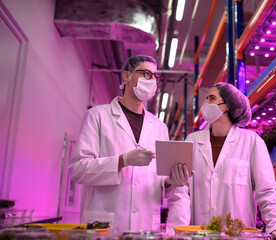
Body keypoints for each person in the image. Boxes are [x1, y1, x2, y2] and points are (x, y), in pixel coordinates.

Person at [69, 55, 191, 236]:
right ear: (126, 76)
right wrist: (122, 160)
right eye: (146, 74)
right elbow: (79, 170)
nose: (152, 81)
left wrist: (170, 182)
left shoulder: (159, 127)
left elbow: (157, 183)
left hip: (145, 227)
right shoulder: (98, 116)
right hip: (105, 225)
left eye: (155, 77)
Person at [186, 82, 276, 239]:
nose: (206, 103)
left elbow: (267, 191)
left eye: (212, 98)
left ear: (228, 105)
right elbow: (183, 192)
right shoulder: (192, 141)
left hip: (239, 235)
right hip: (200, 234)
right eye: (206, 98)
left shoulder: (252, 142)